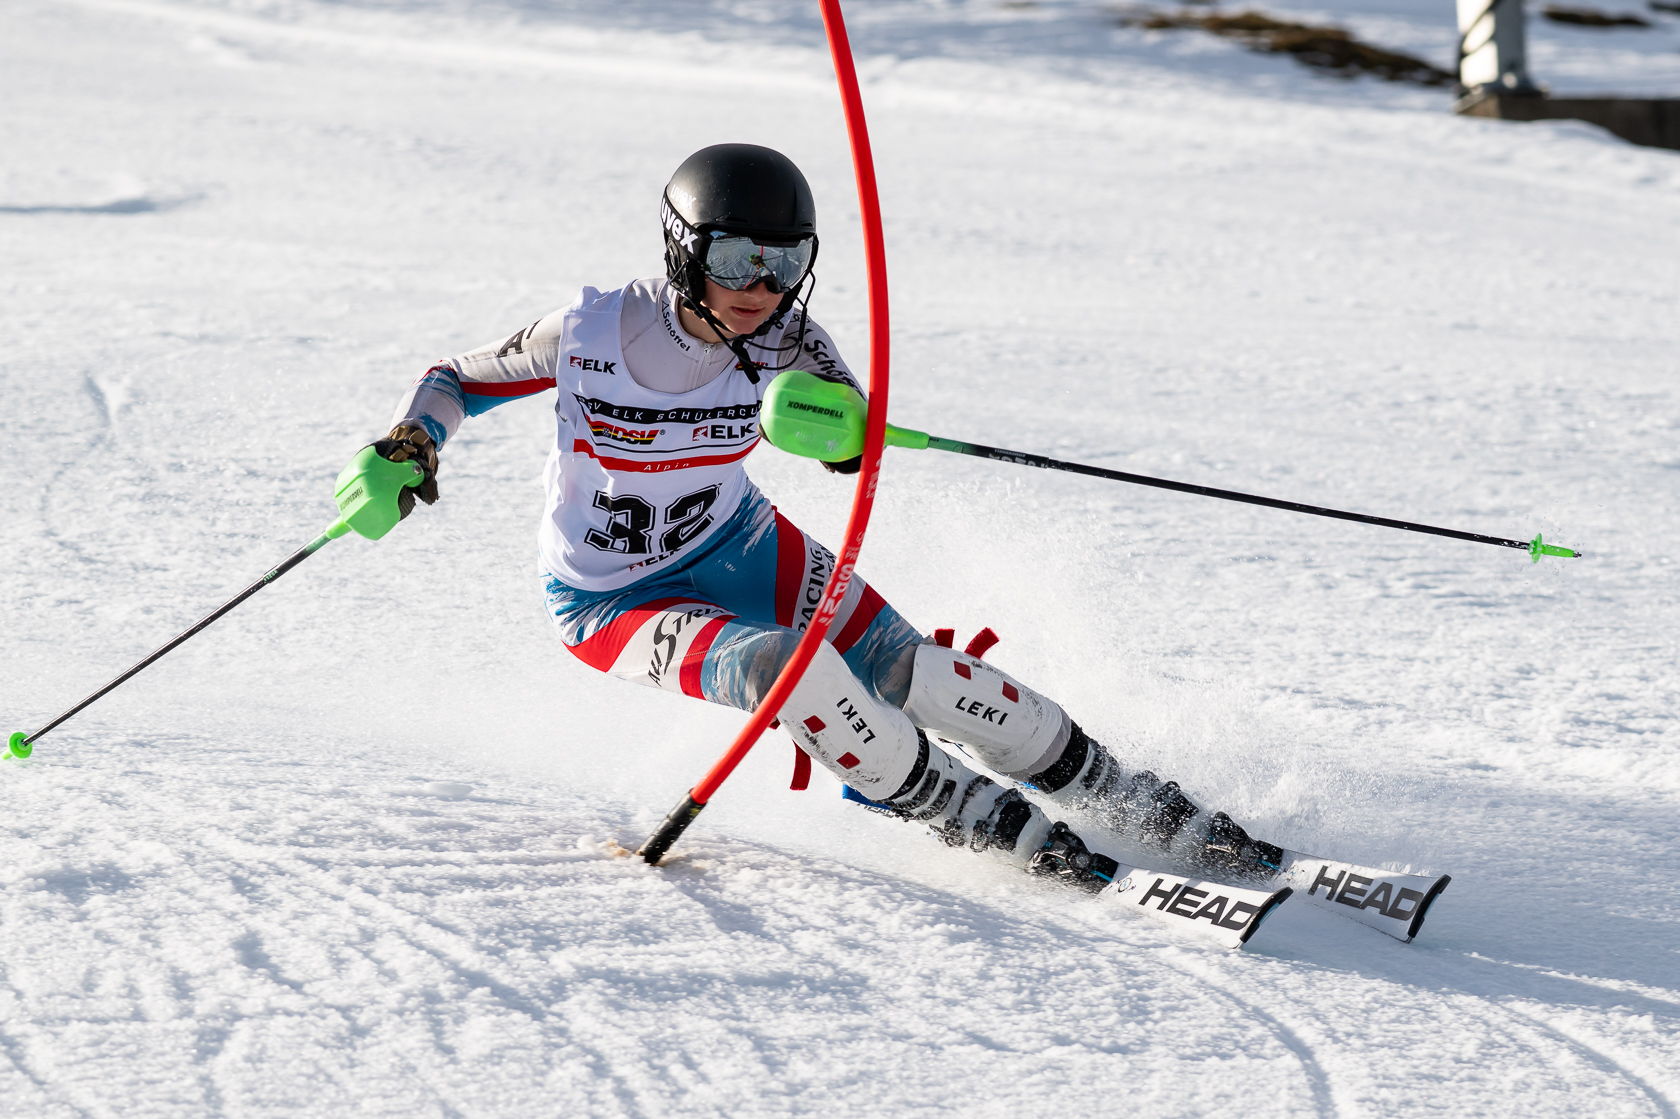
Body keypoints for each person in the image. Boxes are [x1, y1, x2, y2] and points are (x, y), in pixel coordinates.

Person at [355, 143, 1282, 886]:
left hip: (743, 545)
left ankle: (1128, 796)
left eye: (784, 261)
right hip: (608, 599)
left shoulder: (793, 342)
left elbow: (849, 439)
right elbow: (457, 379)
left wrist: (849, 434)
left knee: (920, 672)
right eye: (735, 258)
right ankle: (967, 811)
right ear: (686, 250)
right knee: (783, 671)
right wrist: (415, 440)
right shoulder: (593, 331)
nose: (759, 285)